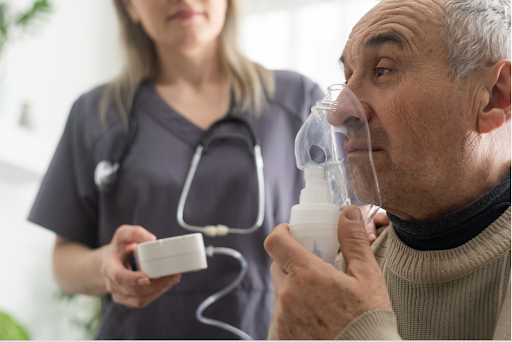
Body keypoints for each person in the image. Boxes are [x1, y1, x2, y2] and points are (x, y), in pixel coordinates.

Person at [27, 0, 330, 339]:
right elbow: (64, 262)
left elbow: (351, 232)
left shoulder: (299, 100)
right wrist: (106, 266)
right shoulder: (97, 113)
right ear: (129, 6)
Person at [264, 0, 511, 339]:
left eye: (382, 70)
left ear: (493, 97)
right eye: (348, 75)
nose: (338, 113)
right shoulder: (334, 274)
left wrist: (357, 329)